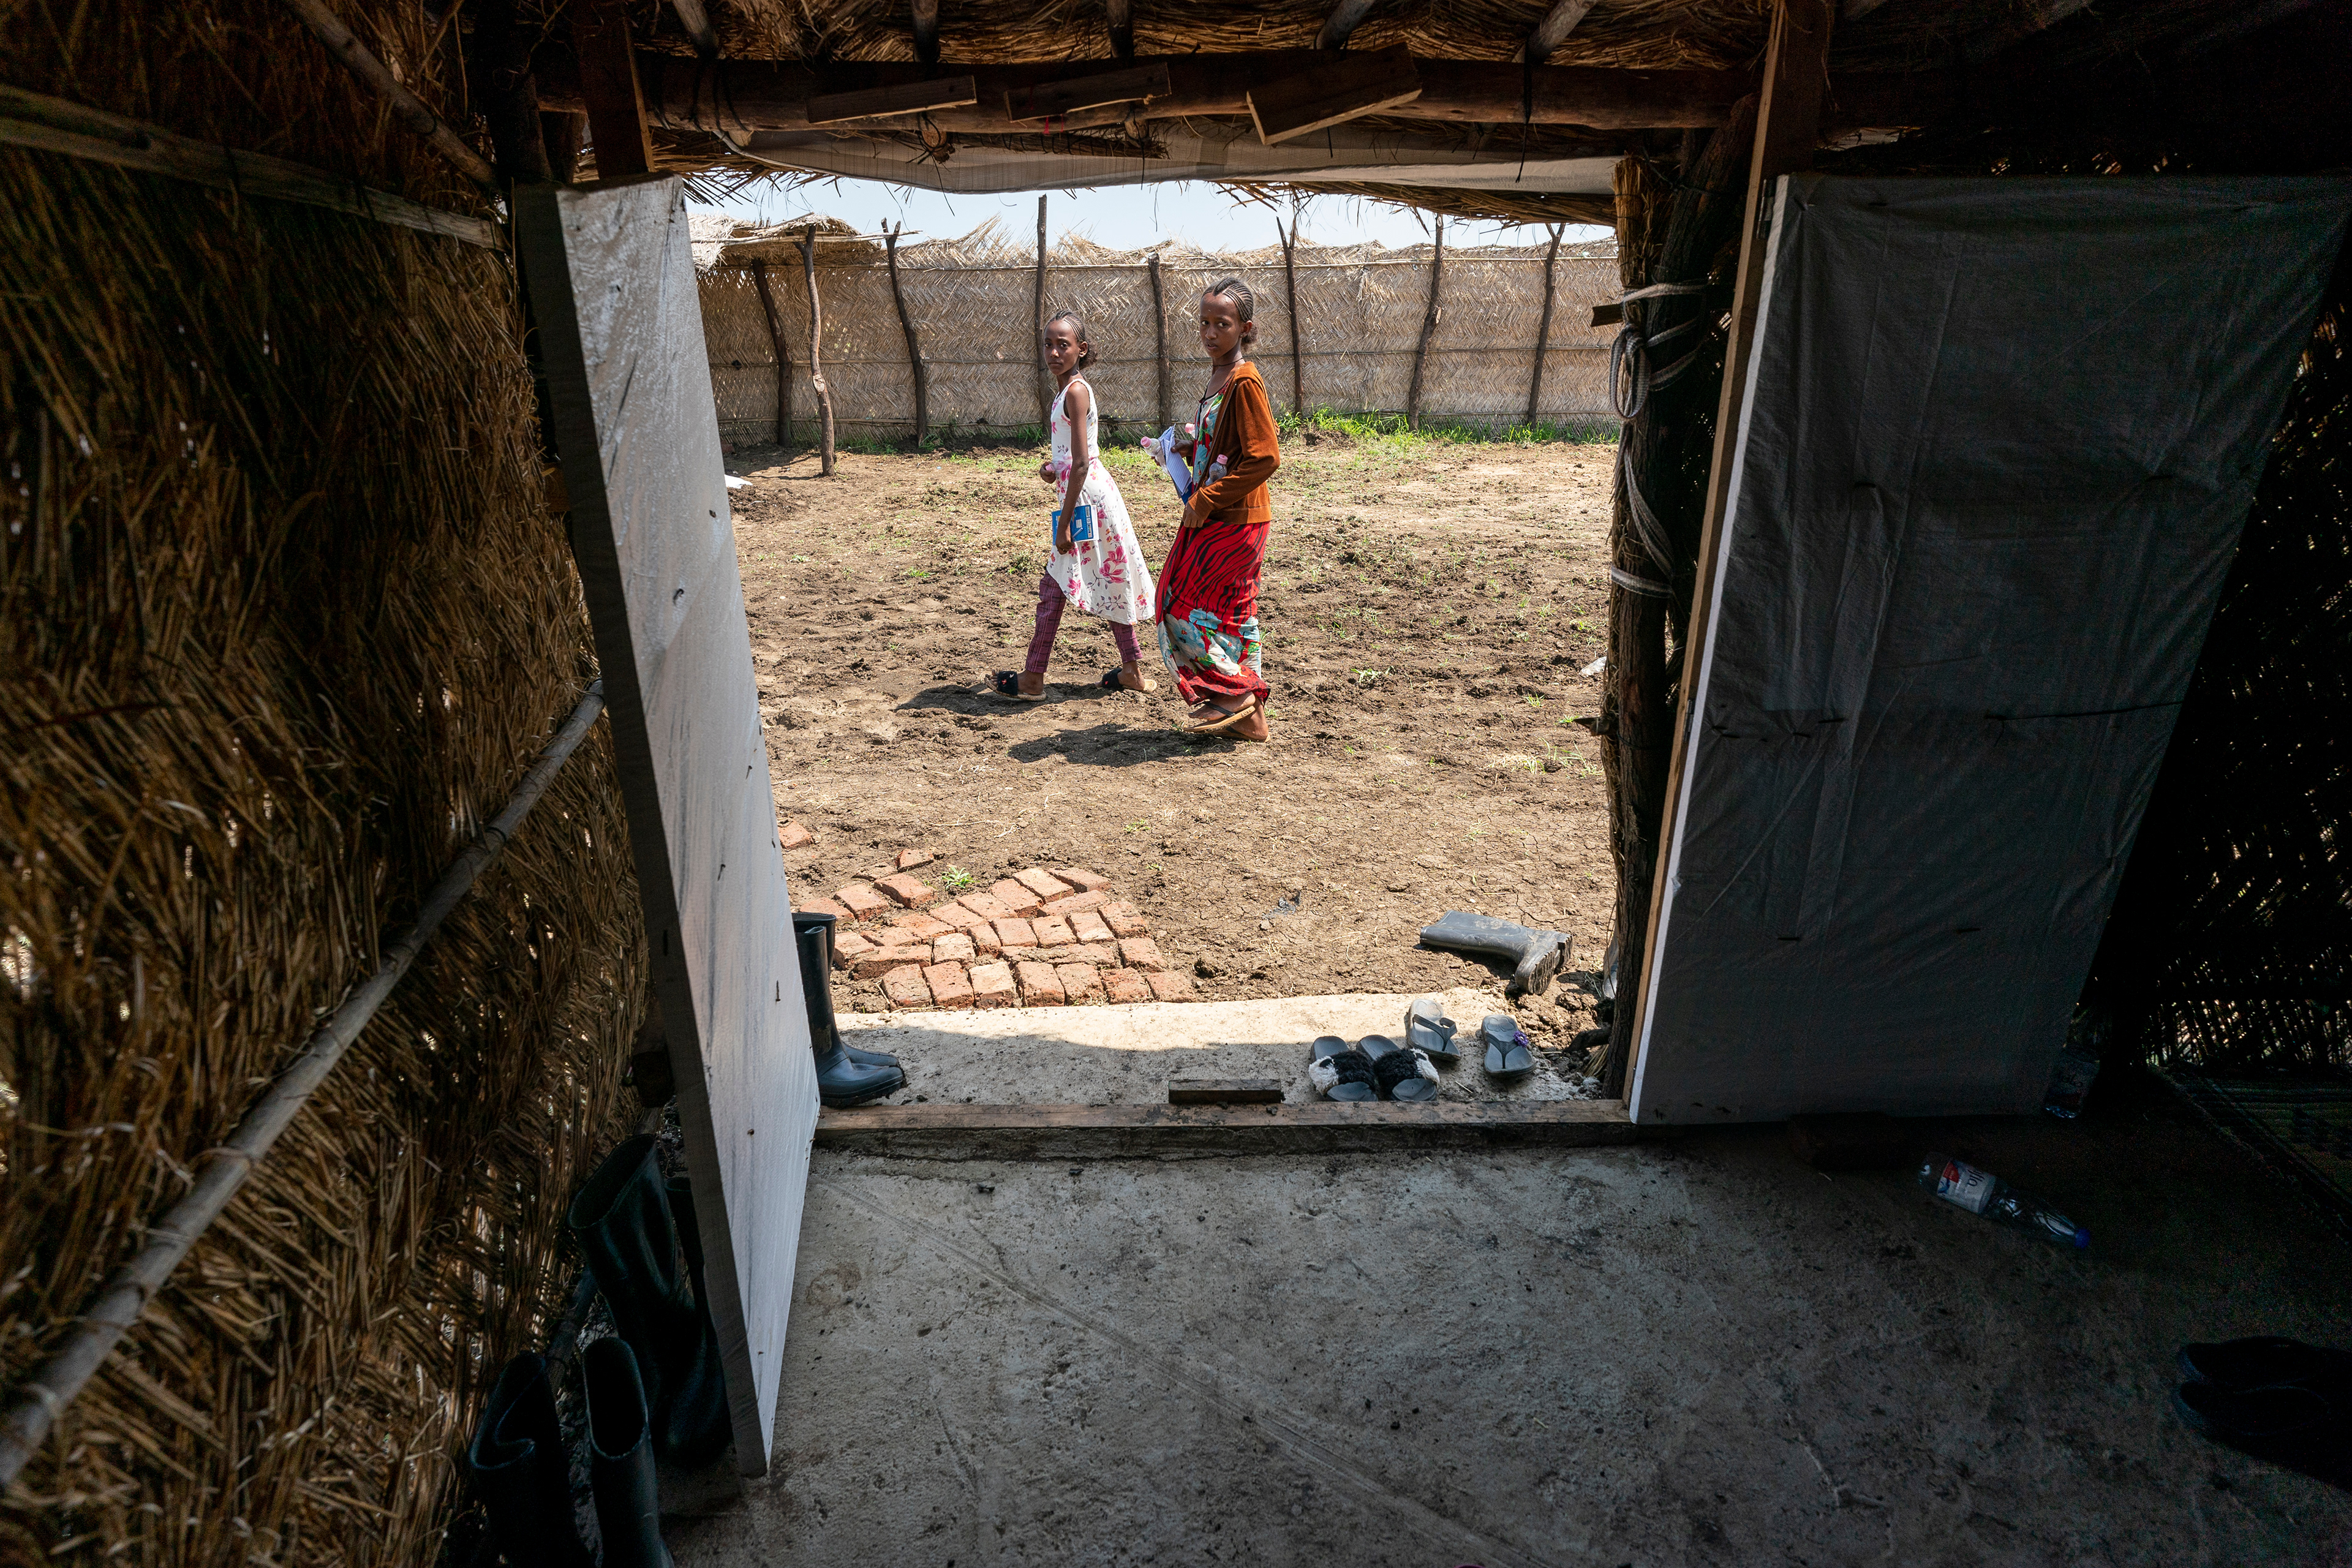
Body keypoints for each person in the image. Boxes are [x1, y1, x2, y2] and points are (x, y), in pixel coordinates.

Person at [990, 311, 1156, 700]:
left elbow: (1083, 462)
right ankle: (1131, 670)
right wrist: (1054, 467)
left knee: (1053, 586)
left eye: (1063, 345)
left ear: (1081, 350)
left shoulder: (1076, 391)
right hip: (1086, 495)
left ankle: (1033, 679)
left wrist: (1064, 524)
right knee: (1109, 579)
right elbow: (1073, 457)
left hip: (1084, 502)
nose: (1053, 352)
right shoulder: (1068, 392)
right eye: (1048, 344)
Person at [1156, 276, 1281, 741]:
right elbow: (1230, 447)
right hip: (1223, 513)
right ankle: (1249, 720)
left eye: (1222, 324)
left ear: (1245, 328)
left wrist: (1206, 497)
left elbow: (1265, 455)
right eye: (1204, 323)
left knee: (1177, 604)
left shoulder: (1245, 381)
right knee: (1234, 612)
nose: (1210, 333)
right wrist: (1189, 451)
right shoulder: (1219, 378)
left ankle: (1237, 693)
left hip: (1234, 518)